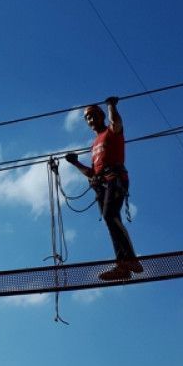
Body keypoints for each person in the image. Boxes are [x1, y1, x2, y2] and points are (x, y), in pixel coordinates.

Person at [64, 96, 142, 281]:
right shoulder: (95, 144)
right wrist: (75, 163)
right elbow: (93, 173)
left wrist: (111, 106)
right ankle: (122, 266)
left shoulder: (111, 132)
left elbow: (117, 122)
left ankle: (131, 259)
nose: (91, 120)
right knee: (110, 222)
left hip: (115, 179)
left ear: (101, 116)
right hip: (101, 184)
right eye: (87, 118)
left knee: (110, 216)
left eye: (93, 116)